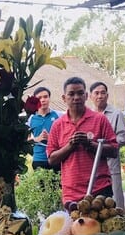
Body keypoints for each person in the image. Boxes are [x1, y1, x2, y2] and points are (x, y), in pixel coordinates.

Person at [47, 77, 118, 205]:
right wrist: (70, 146)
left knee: (103, 219)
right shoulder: (57, 125)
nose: (76, 97)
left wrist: (90, 144)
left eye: (80, 93)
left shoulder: (100, 119)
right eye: (71, 94)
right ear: (64, 98)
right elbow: (52, 159)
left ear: (86, 96)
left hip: (100, 189)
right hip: (71, 193)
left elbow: (113, 151)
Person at [89, 81, 125, 209]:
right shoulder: (88, 116)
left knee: (116, 200)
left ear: (107, 95)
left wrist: (104, 145)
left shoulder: (116, 114)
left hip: (111, 163)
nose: (100, 96)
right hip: (92, 165)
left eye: (103, 93)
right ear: (90, 96)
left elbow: (122, 138)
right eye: (96, 93)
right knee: (94, 203)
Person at [27, 87, 60, 171]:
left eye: (45, 97)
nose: (43, 100)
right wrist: (36, 139)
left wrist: (50, 138)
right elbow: (26, 139)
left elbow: (65, 137)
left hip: (56, 158)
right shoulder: (31, 118)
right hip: (38, 159)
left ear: (49, 98)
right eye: (39, 98)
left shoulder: (58, 116)